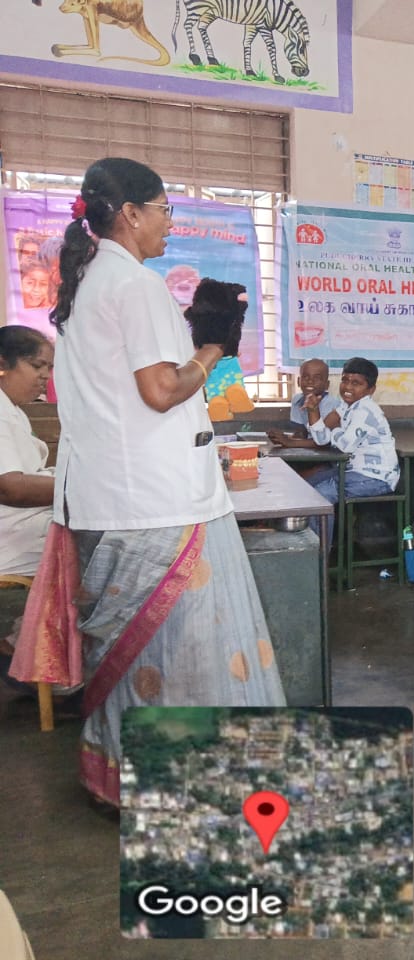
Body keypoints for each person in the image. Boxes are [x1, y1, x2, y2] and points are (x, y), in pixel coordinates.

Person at [10, 157, 284, 807]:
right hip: (155, 508)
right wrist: (212, 346)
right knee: (183, 651)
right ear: (130, 214)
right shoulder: (134, 285)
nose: (170, 222)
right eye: (164, 210)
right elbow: (161, 390)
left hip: (105, 501)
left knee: (129, 657)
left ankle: (118, 778)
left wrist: (194, 340)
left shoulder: (85, 286)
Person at [305, 357, 400, 544]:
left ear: (370, 390)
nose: (348, 387)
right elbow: (321, 439)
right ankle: (310, 547)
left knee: (320, 495)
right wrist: (313, 411)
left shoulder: (366, 410)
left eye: (356, 383)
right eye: (345, 380)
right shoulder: (346, 406)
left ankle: (320, 555)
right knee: (308, 484)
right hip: (355, 472)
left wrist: (334, 430)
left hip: (376, 477)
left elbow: (344, 445)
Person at [0, 326, 55, 578]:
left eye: (49, 368)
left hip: (22, 525)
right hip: (10, 538)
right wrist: (78, 488)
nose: (45, 376)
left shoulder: (15, 410)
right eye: (36, 366)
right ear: (3, 365)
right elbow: (9, 487)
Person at [266, 358, 340, 450]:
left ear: (327, 385)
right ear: (298, 381)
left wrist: (289, 442)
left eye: (317, 378)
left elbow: (323, 441)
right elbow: (302, 434)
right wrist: (281, 438)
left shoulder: (334, 405)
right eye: (305, 377)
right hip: (311, 452)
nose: (310, 381)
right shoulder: (297, 400)